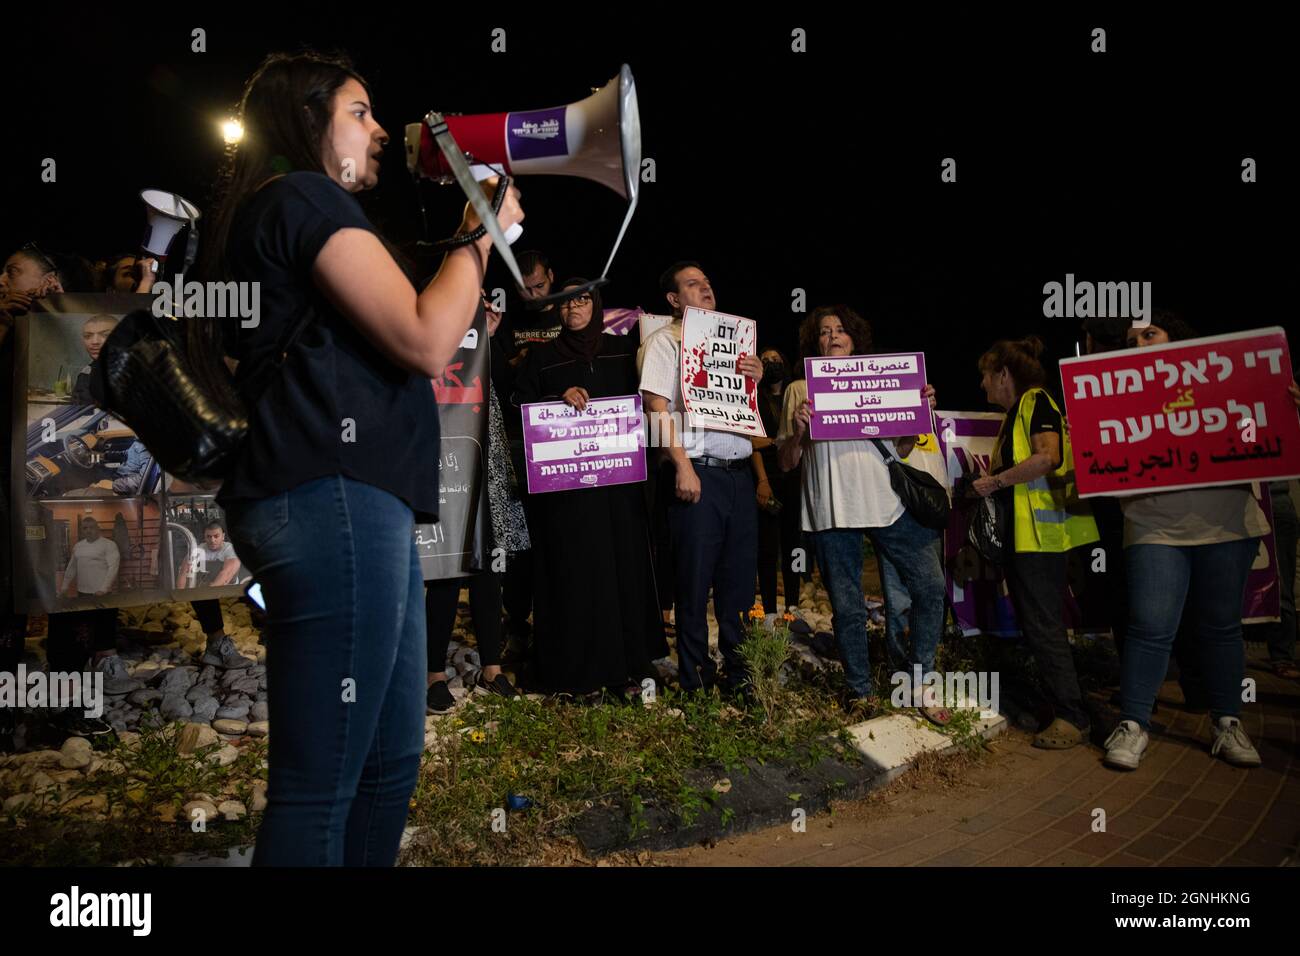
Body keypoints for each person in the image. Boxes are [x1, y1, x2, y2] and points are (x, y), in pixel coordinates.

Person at [197, 51, 523, 866]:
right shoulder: (302, 195)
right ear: (309, 122)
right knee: (323, 781)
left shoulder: (296, 208)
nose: (381, 130)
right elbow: (423, 336)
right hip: (329, 499)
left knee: (387, 763)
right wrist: (478, 236)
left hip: (357, 504)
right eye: (360, 112)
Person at [1102, 312, 1287, 771]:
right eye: (1131, 340)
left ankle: (1227, 723)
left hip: (1225, 524)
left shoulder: (1228, 388)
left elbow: (1259, 436)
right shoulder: (1115, 398)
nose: (1139, 344)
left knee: (1222, 627)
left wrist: (1283, 412)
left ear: (1179, 340)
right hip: (1152, 525)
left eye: (1150, 334)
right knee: (1149, 626)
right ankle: (1133, 725)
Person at [778, 306, 946, 717]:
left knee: (930, 586)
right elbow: (786, 462)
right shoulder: (800, 389)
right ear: (814, 342)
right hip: (833, 513)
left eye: (840, 331)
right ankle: (858, 690)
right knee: (848, 607)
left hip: (888, 506)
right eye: (823, 332)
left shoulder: (884, 382)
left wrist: (917, 410)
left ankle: (920, 681)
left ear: (854, 339)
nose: (832, 337)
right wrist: (799, 432)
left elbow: (903, 448)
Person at [515, 278, 667, 697]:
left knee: (624, 572)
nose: (572, 307)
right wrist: (555, 399)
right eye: (563, 303)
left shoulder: (623, 352)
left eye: (581, 298)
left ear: (596, 303)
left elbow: (656, 396)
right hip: (568, 498)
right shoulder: (542, 359)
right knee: (576, 574)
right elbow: (519, 408)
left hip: (620, 493)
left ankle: (630, 668)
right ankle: (578, 673)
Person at [639, 262, 763, 694]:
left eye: (708, 281)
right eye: (693, 284)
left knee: (739, 585)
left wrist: (755, 380)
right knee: (693, 584)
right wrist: (683, 466)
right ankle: (694, 680)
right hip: (698, 475)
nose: (705, 287)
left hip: (738, 476)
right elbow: (656, 410)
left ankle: (740, 675)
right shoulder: (663, 343)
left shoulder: (735, 345)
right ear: (674, 299)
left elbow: (745, 414)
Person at [971, 336, 1099, 749]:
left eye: (986, 377)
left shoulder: (1035, 402)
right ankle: (1059, 706)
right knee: (1038, 625)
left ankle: (1072, 718)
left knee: (1044, 627)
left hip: (1041, 538)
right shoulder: (1017, 413)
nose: (983, 386)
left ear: (1004, 374)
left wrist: (994, 481)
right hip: (1029, 538)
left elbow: (1048, 457)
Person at [425, 291, 530, 712]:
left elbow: (508, 388)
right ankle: (434, 674)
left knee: (491, 567)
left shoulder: (488, 341)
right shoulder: (429, 336)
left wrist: (491, 336)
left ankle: (492, 668)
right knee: (447, 571)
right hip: (447, 465)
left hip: (488, 463)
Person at [751, 347, 804, 616]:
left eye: (776, 360)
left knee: (793, 545)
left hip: (793, 479)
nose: (772, 364)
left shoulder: (793, 397)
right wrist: (762, 480)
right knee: (768, 546)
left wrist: (775, 441)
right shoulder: (755, 399)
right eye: (766, 360)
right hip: (767, 479)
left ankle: (792, 605)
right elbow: (752, 442)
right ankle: (770, 610)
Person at [71, 314, 118, 404]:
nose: (94, 342)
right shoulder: (86, 372)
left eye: (105, 335)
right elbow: (79, 408)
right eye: (88, 336)